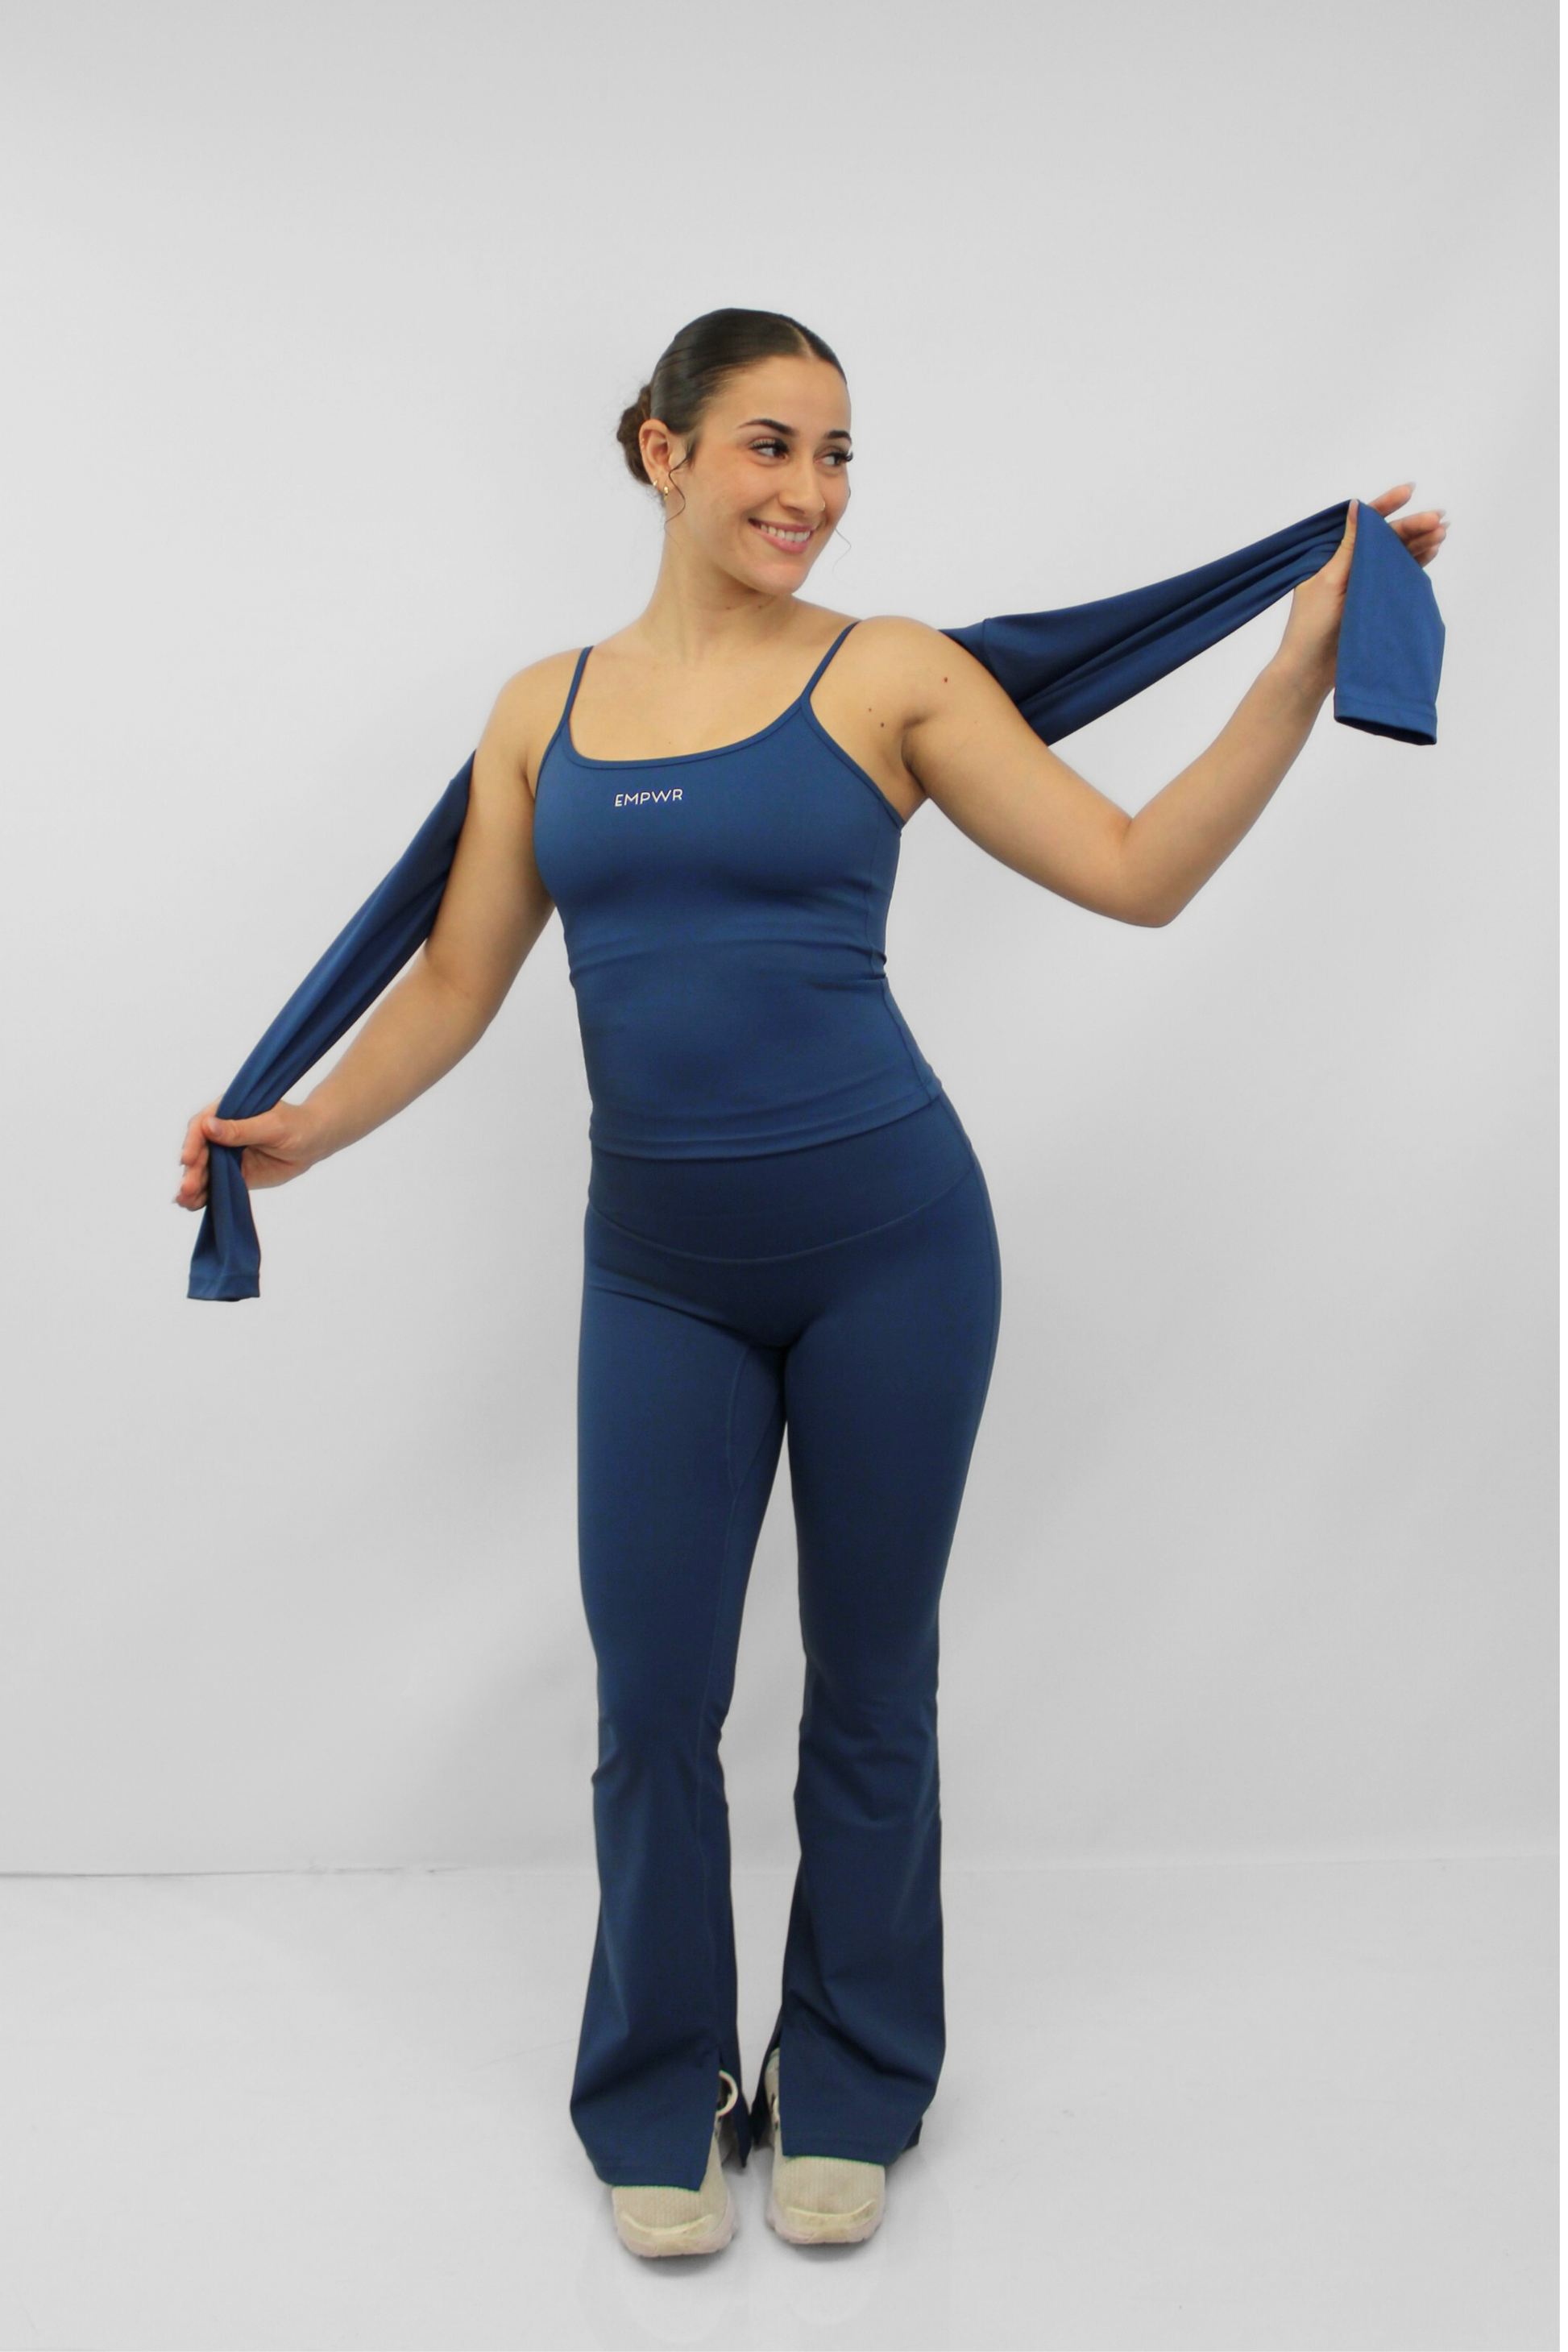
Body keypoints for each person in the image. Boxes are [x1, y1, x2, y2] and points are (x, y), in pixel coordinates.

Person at [174, 307, 1447, 2260]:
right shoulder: (541, 711)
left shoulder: (894, 675)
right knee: (652, 1703)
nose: (812, 492)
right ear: (662, 450)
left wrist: (1290, 670)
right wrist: (305, 1132)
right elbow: (453, 980)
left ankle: (851, 2077)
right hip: (657, 1281)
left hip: (893, 1254)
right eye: (772, 444)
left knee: (870, 1689)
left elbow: (1132, 872)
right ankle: (661, 2083)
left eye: (840, 453)